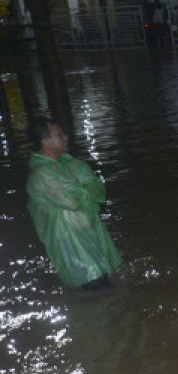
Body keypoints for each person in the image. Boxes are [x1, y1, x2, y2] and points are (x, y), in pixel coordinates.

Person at [25, 118, 123, 290]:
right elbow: (75, 200)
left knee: (116, 295)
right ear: (44, 141)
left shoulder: (72, 164)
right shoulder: (40, 175)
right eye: (59, 135)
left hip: (95, 241)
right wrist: (85, 190)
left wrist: (85, 191)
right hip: (73, 251)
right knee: (101, 302)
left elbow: (98, 189)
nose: (66, 137)